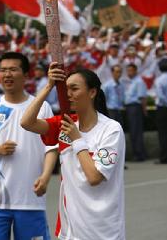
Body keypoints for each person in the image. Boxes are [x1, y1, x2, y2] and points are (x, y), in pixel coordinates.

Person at [21, 62, 126, 240]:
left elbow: (94, 177)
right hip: (70, 231)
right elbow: (27, 122)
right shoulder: (66, 125)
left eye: (74, 89)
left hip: (104, 230)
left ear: (92, 92)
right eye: (65, 89)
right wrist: (49, 86)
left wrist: (77, 139)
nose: (68, 95)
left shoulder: (111, 130)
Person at [0, 52, 58, 240]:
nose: (7, 74)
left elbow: (51, 148)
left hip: (31, 201)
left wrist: (46, 176)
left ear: (26, 75)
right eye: (2, 70)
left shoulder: (41, 107)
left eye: (12, 69)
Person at [123, 63, 147, 161]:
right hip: (129, 108)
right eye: (128, 70)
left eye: (131, 70)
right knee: (133, 131)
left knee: (136, 131)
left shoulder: (139, 81)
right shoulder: (130, 82)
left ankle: (139, 154)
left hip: (135, 107)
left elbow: (143, 98)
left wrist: (144, 110)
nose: (129, 72)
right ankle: (139, 153)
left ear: (135, 71)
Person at [154, 58, 167, 164]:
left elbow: (161, 96)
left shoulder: (159, 80)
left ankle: (165, 157)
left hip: (163, 108)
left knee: (163, 133)